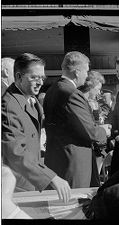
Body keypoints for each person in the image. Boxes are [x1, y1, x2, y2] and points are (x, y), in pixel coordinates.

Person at [2, 53, 71, 203]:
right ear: (19, 77)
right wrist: (51, 177)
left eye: (42, 78)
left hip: (29, 182)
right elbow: (16, 152)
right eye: (34, 77)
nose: (40, 82)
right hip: (16, 188)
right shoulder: (8, 106)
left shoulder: (30, 99)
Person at [43, 51, 111, 188]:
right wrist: (104, 131)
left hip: (58, 160)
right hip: (73, 164)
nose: (87, 75)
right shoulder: (71, 93)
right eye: (86, 71)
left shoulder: (52, 89)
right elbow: (90, 132)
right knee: (75, 205)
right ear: (77, 72)